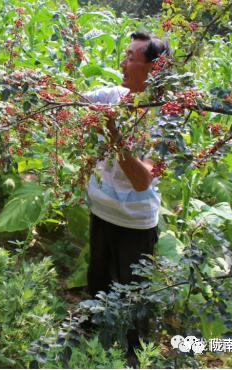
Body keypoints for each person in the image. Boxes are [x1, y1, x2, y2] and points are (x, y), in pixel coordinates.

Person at [83, 30, 171, 364]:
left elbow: (142, 179)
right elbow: (70, 98)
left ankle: (134, 355)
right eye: (126, 55)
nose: (123, 62)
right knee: (98, 279)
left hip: (134, 222)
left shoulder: (165, 118)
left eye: (131, 58)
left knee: (134, 295)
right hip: (101, 211)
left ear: (154, 69)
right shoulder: (113, 96)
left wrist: (114, 133)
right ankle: (93, 340)